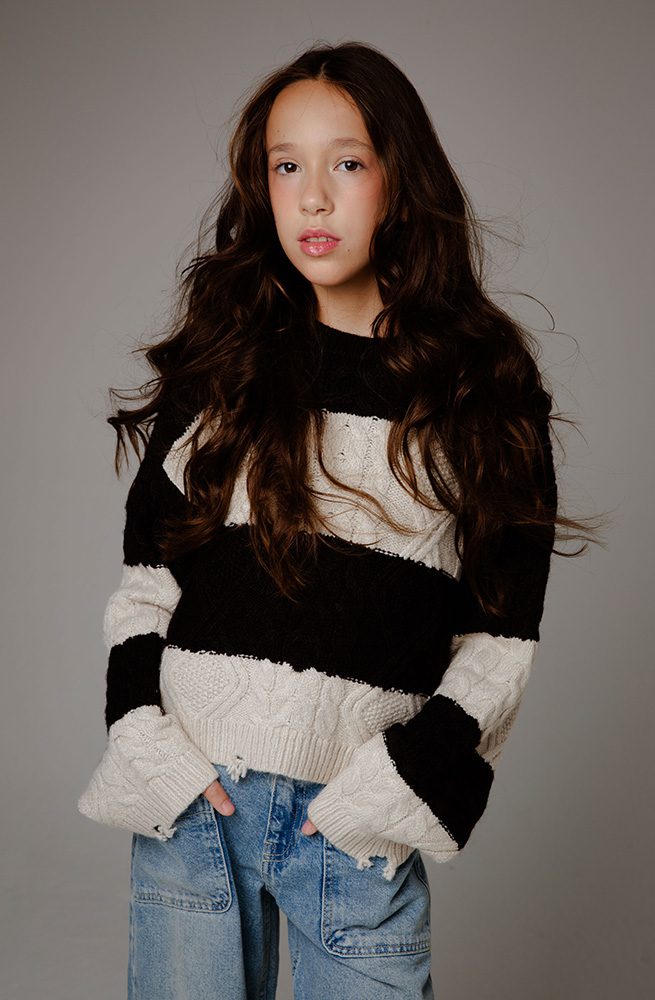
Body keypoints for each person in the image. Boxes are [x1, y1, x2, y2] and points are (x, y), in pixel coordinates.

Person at [77, 39, 590, 1000]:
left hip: (351, 830)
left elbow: (499, 640)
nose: (312, 198)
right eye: (286, 167)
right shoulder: (222, 364)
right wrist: (146, 742)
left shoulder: (481, 388)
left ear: (399, 178)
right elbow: (147, 583)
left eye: (346, 163)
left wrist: (396, 788)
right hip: (192, 810)